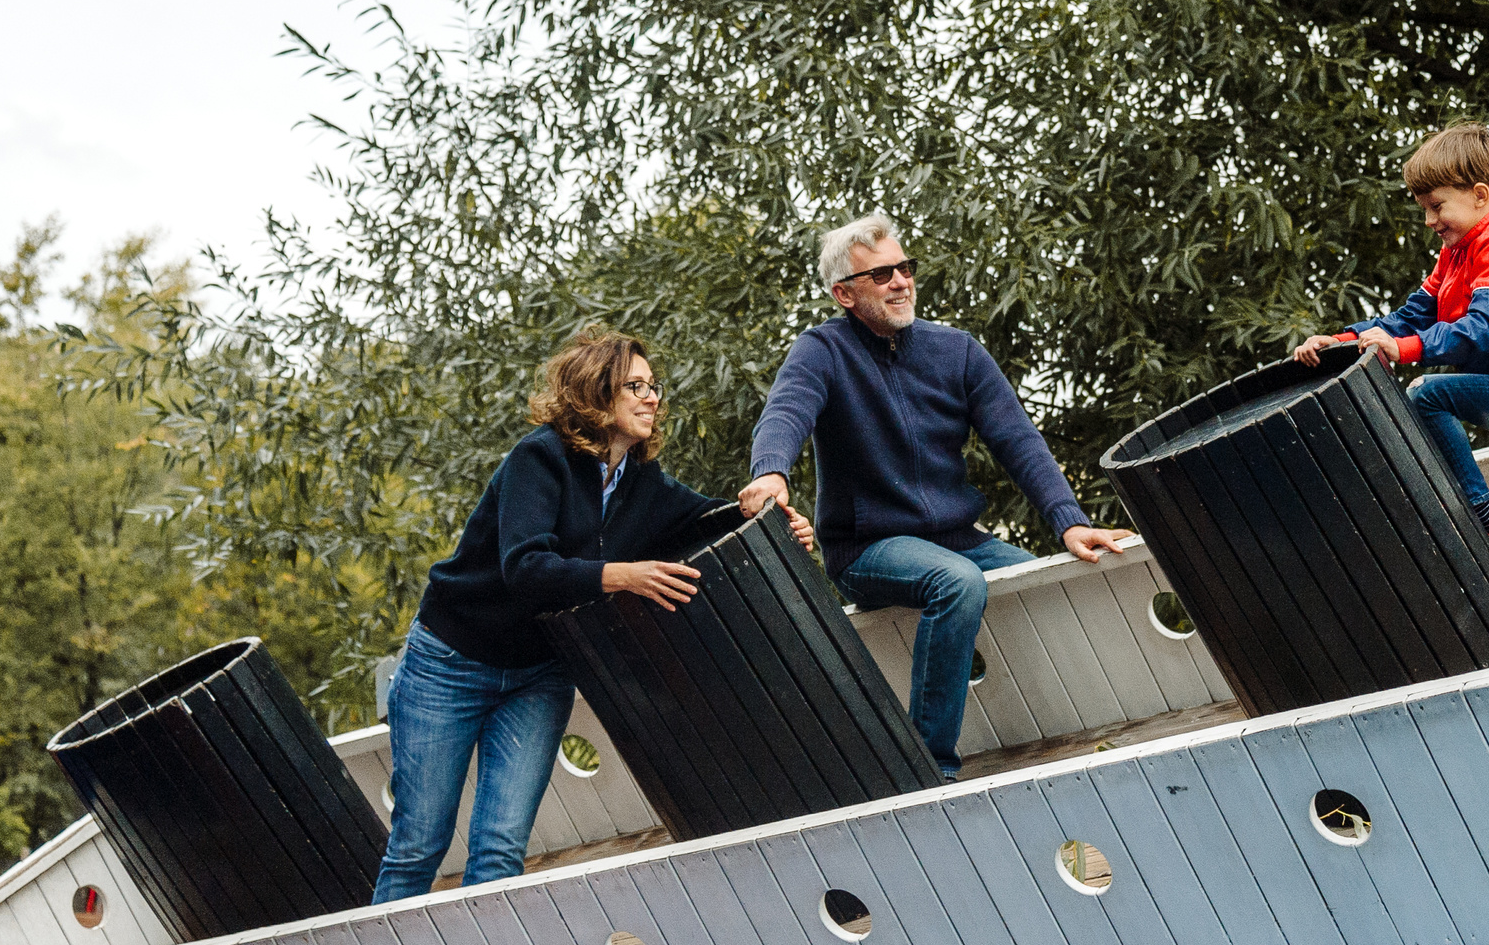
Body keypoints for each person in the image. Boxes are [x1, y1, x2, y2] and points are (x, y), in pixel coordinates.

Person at [373, 327, 814, 902]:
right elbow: (525, 569)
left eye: (654, 386)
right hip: (451, 662)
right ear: (596, 392)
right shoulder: (540, 458)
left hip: (540, 675)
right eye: (636, 385)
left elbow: (706, 520)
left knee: (501, 846)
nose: (652, 397)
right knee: (419, 846)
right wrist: (625, 575)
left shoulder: (638, 479)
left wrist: (767, 516)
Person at [741, 212, 1133, 778]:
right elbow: (786, 411)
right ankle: (927, 768)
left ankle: (1080, 738)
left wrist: (1068, 522)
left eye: (905, 267)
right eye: (881, 275)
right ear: (844, 295)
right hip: (869, 550)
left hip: (960, 540)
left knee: (1044, 584)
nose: (901, 281)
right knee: (956, 581)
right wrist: (771, 472)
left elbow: (1018, 440)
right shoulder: (822, 351)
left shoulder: (957, 351)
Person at [1294, 122, 1489, 647]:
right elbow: (1410, 316)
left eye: (1436, 206)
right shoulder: (1457, 253)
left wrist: (1409, 351)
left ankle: (1487, 517)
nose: (1429, 220)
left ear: (1479, 196)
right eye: (1423, 207)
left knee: (1426, 393)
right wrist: (1336, 340)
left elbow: (1480, 330)